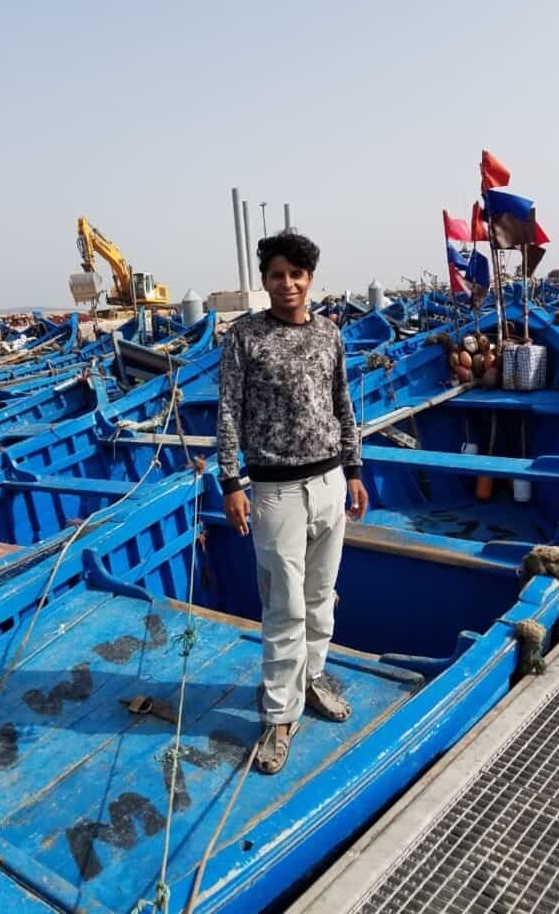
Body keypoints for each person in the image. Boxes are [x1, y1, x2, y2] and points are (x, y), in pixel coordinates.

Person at [216, 231, 368, 774]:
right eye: (277, 274)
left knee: (322, 595)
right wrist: (230, 482)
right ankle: (280, 714)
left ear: (310, 279)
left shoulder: (329, 334)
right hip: (275, 488)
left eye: (296, 274)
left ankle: (312, 676)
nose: (287, 283)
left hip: (329, 482)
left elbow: (342, 403)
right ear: (265, 281)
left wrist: (353, 470)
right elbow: (229, 411)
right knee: (285, 607)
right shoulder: (244, 337)